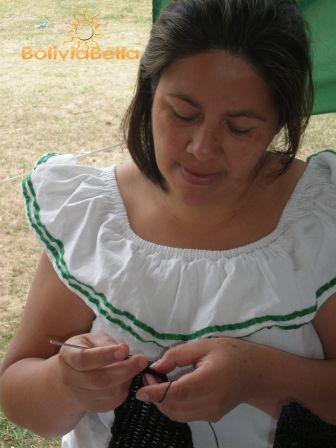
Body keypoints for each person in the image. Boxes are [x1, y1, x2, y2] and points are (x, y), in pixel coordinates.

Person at [1, 0, 336, 447]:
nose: (201, 148)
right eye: (182, 113)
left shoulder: (318, 218)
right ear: (149, 92)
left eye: (239, 128)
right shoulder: (93, 216)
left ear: (279, 123)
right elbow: (18, 396)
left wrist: (260, 377)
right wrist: (65, 382)